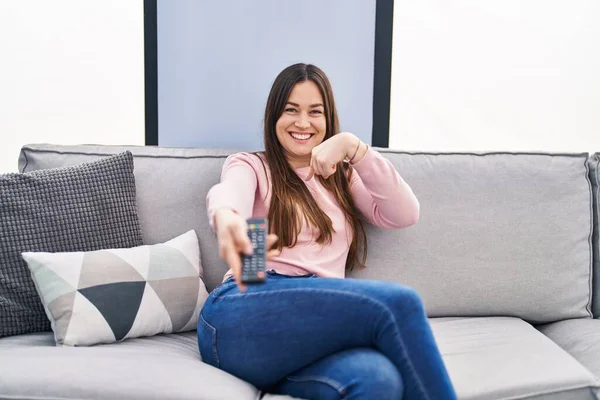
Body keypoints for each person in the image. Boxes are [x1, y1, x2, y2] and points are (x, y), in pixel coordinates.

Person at [198, 63, 457, 400]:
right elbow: (230, 194)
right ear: (274, 116)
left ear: (328, 120)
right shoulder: (254, 166)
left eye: (314, 112)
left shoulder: (342, 179)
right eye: (291, 110)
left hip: (300, 342)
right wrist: (228, 219)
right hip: (246, 306)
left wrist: (354, 147)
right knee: (400, 302)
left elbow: (404, 213)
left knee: (378, 379)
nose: (303, 123)